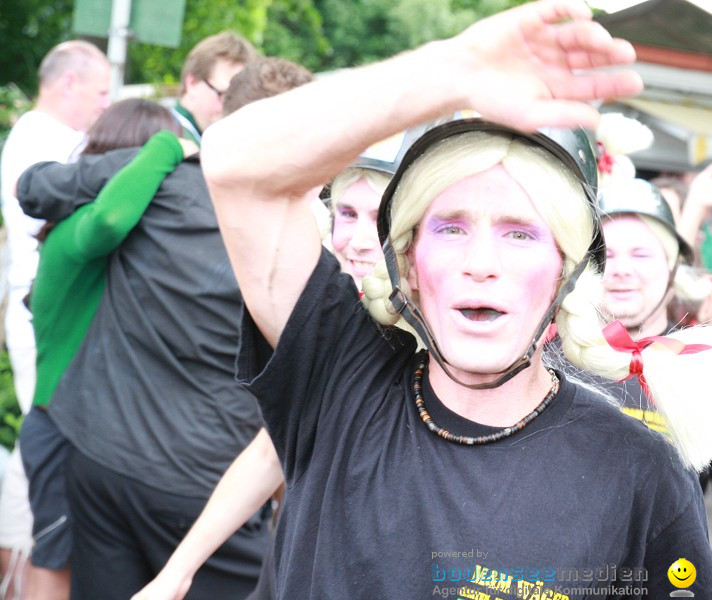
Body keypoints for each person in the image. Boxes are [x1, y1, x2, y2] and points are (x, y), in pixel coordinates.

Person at [202, 2, 712, 597]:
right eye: (451, 227)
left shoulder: (641, 475)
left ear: (566, 269)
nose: (481, 264)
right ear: (407, 263)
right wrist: (451, 70)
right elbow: (233, 162)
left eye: (520, 232)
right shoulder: (337, 378)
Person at [15, 57, 312, 599]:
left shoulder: (162, 176)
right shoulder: (307, 228)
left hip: (102, 461)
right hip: (202, 485)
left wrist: (160, 156)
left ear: (225, 113)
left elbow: (36, 186)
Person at [131, 130, 420, 600]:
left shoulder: (457, 347)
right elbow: (270, 454)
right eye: (347, 213)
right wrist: (176, 574)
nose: (360, 241)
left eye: (382, 217)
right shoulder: (342, 327)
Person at [572, 178, 712, 598]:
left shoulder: (707, 370)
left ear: (674, 269)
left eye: (641, 253)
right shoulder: (546, 358)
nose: (621, 268)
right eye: (606, 253)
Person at [14, 98, 189, 600]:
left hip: (84, 430)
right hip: (63, 429)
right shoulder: (79, 233)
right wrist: (166, 148)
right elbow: (112, 218)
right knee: (56, 561)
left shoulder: (103, 243)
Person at [0, 39, 110, 599]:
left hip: (45, 314)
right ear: (69, 83)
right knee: (43, 455)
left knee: (37, 453)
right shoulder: (43, 140)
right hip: (44, 317)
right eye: (100, 91)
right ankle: (19, 574)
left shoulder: (43, 136)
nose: (104, 103)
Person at [171, 32, 257, 145]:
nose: (233, 109)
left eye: (241, 100)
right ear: (192, 83)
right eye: (226, 96)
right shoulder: (169, 142)